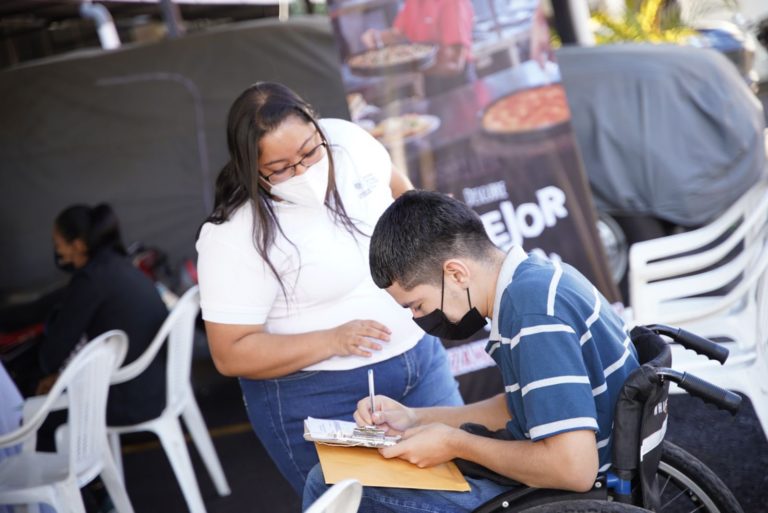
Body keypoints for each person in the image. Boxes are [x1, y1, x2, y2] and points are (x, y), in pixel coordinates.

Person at [195, 82, 463, 495]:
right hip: (320, 396)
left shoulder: (350, 142)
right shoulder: (235, 233)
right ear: (252, 167)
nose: (302, 172)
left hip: (421, 361)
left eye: (309, 151)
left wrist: (424, 236)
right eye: (280, 168)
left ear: (317, 126)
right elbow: (230, 352)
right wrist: (333, 339)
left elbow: (397, 187)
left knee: (466, 488)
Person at [303, 190, 640, 512]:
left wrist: (455, 443)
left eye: (417, 305)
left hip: (565, 496)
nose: (419, 318)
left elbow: (573, 470)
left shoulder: (532, 314)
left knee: (331, 481)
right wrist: (414, 418)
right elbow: (517, 408)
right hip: (577, 475)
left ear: (456, 272)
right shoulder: (536, 278)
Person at [30, 204, 168, 426]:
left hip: (127, 403)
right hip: (157, 390)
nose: (58, 253)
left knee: (33, 407)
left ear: (79, 245)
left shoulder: (90, 280)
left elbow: (50, 357)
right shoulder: (122, 266)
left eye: (59, 245)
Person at [361, 0, 475, 96]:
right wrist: (375, 37)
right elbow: (397, 32)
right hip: (429, 80)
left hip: (458, 85)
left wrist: (407, 66)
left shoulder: (453, 3)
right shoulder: (413, 2)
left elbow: (455, 64)